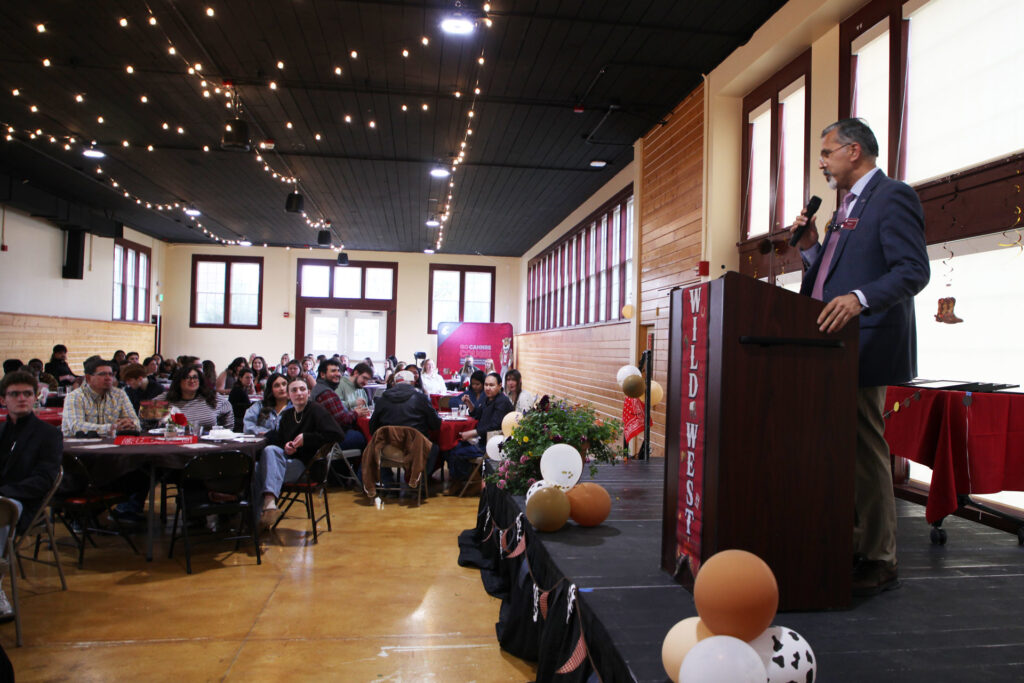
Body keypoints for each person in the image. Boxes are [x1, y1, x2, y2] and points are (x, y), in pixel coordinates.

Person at [792, 118, 929, 597]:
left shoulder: (892, 196)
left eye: (827, 153)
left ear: (854, 151)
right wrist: (810, 249)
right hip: (830, 344)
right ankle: (849, 541)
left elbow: (913, 271)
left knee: (865, 448)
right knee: (840, 448)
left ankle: (879, 556)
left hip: (865, 343)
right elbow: (829, 273)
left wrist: (859, 298)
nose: (823, 163)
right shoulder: (842, 209)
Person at [0, 370, 62, 621]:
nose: (22, 398)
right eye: (15, 394)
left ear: (35, 397)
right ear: (4, 399)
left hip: (22, 503)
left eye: (27, 393)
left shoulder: (48, 435)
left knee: (1, 509)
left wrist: (3, 493)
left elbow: (43, 481)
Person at [254, 377, 344, 529]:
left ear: (308, 392)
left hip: (309, 467)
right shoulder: (287, 416)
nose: (299, 393)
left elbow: (337, 434)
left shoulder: (316, 410)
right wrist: (287, 445)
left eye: (302, 389)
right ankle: (265, 512)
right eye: (294, 390)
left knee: (258, 471)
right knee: (262, 460)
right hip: (289, 461)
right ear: (289, 395)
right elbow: (281, 440)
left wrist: (306, 438)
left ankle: (260, 518)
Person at [370, 370, 442, 477]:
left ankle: (388, 484)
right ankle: (418, 482)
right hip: (416, 447)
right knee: (435, 448)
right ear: (413, 382)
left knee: (374, 445)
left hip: (387, 448)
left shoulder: (382, 399)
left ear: (394, 383)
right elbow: (435, 425)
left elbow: (373, 428)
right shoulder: (421, 398)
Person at [447, 372, 513, 487]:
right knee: (452, 447)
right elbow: (477, 414)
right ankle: (464, 480)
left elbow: (495, 425)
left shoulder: (502, 401)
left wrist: (472, 433)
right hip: (481, 440)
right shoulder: (487, 398)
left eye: (491, 385)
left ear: (499, 386)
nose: (488, 388)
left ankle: (465, 482)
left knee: (455, 453)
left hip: (491, 445)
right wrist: (469, 403)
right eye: (486, 385)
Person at [62, 356, 140, 436]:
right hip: (77, 445)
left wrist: (130, 425)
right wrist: (111, 428)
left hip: (112, 444)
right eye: (102, 374)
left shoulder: (119, 394)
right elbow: (76, 426)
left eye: (111, 374)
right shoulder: (75, 396)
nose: (108, 378)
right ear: (88, 378)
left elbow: (135, 421)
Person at [311, 359, 366, 451]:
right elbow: (342, 420)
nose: (338, 374)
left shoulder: (318, 388)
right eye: (333, 371)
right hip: (331, 441)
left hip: (323, 437)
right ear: (322, 374)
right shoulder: (326, 393)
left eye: (338, 371)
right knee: (367, 439)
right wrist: (356, 413)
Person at [159, 365, 233, 430]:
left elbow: (228, 417)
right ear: (178, 381)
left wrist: (223, 434)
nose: (192, 381)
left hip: (208, 442)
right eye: (187, 377)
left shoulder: (213, 397)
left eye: (195, 377)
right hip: (173, 441)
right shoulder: (165, 398)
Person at [228, 367, 258, 432]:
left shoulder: (241, 389)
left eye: (251, 378)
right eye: (247, 377)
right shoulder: (239, 390)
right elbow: (247, 407)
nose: (250, 380)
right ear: (240, 378)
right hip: (238, 421)